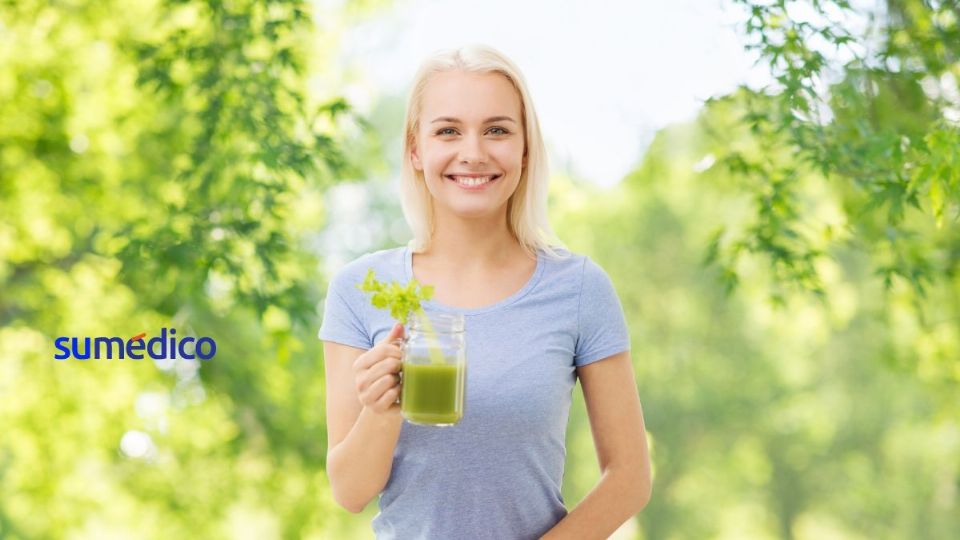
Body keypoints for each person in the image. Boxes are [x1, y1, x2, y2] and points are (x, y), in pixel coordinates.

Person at [320, 43, 651, 540]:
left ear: (524, 148)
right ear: (416, 149)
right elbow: (349, 492)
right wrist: (380, 409)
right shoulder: (359, 291)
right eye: (448, 131)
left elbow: (629, 478)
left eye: (497, 130)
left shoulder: (579, 289)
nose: (472, 152)